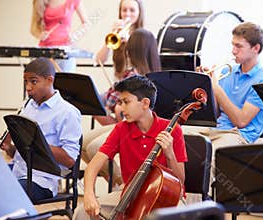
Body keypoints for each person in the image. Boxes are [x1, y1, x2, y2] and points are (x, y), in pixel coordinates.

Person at [73, 75, 187, 219]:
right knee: (82, 212)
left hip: (167, 198)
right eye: (120, 102)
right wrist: (89, 194)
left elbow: (180, 179)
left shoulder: (173, 130)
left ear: (145, 103)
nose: (120, 108)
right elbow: (93, 166)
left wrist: (169, 153)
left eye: (126, 102)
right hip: (131, 195)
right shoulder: (121, 129)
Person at [0, 57, 82, 201]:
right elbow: (26, 154)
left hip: (41, 181)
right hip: (18, 172)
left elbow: (70, 159)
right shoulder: (28, 106)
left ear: (49, 80)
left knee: (0, 194)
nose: (28, 87)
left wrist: (37, 144)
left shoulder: (67, 112)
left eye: (33, 81)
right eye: (26, 82)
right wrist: (9, 147)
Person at [82, 28, 161, 187]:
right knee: (83, 143)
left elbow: (110, 100)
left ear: (132, 51)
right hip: (123, 122)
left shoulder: (133, 75)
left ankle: (121, 183)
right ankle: (119, 184)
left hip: (131, 125)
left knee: (91, 148)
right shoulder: (155, 73)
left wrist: (113, 102)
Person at [195, 22, 263, 177]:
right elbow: (216, 112)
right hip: (216, 128)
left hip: (239, 135)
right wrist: (207, 84)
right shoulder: (227, 71)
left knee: (209, 160)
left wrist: (216, 88)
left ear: (256, 48)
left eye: (239, 46)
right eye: (233, 45)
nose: (233, 51)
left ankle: (204, 200)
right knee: (177, 138)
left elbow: (241, 121)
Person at [30, 0, 89, 72]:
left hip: (65, 50)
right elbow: (33, 28)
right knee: (44, 81)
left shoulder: (73, 1)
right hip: (44, 49)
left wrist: (75, 36)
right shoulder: (40, 2)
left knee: (66, 81)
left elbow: (86, 24)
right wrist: (40, 35)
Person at [95, 0, 144, 80]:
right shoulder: (117, 33)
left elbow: (142, 66)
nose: (127, 14)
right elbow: (99, 60)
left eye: (132, 10)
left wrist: (128, 41)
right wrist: (112, 35)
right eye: (124, 10)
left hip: (137, 86)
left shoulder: (144, 36)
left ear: (139, 13)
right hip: (119, 84)